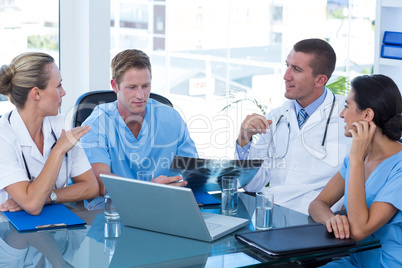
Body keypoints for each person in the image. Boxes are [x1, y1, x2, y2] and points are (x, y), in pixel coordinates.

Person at [236, 38, 351, 214]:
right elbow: (253, 184)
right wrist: (244, 140)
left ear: (320, 80)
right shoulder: (276, 117)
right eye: (287, 65)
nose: (286, 75)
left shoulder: (348, 116)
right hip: (272, 214)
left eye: (296, 69)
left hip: (317, 221)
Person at [80, 49, 198, 203]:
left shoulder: (171, 117)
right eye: (132, 87)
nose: (141, 95)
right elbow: (100, 182)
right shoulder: (96, 124)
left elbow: (192, 171)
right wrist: (148, 189)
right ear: (115, 86)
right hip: (114, 209)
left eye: (145, 86)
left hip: (167, 204)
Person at [309, 74, 402, 267]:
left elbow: (359, 230)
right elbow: (317, 204)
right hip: (352, 261)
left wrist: (357, 159)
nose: (342, 114)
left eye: (347, 106)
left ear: (367, 115)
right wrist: (331, 219)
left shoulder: (394, 166)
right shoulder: (358, 157)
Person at [0, 52, 99, 215]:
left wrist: (48, 196)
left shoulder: (60, 123)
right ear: (36, 93)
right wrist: (58, 150)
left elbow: (91, 186)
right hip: (10, 230)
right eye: (58, 85)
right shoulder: (3, 136)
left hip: (56, 222)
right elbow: (32, 205)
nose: (64, 92)